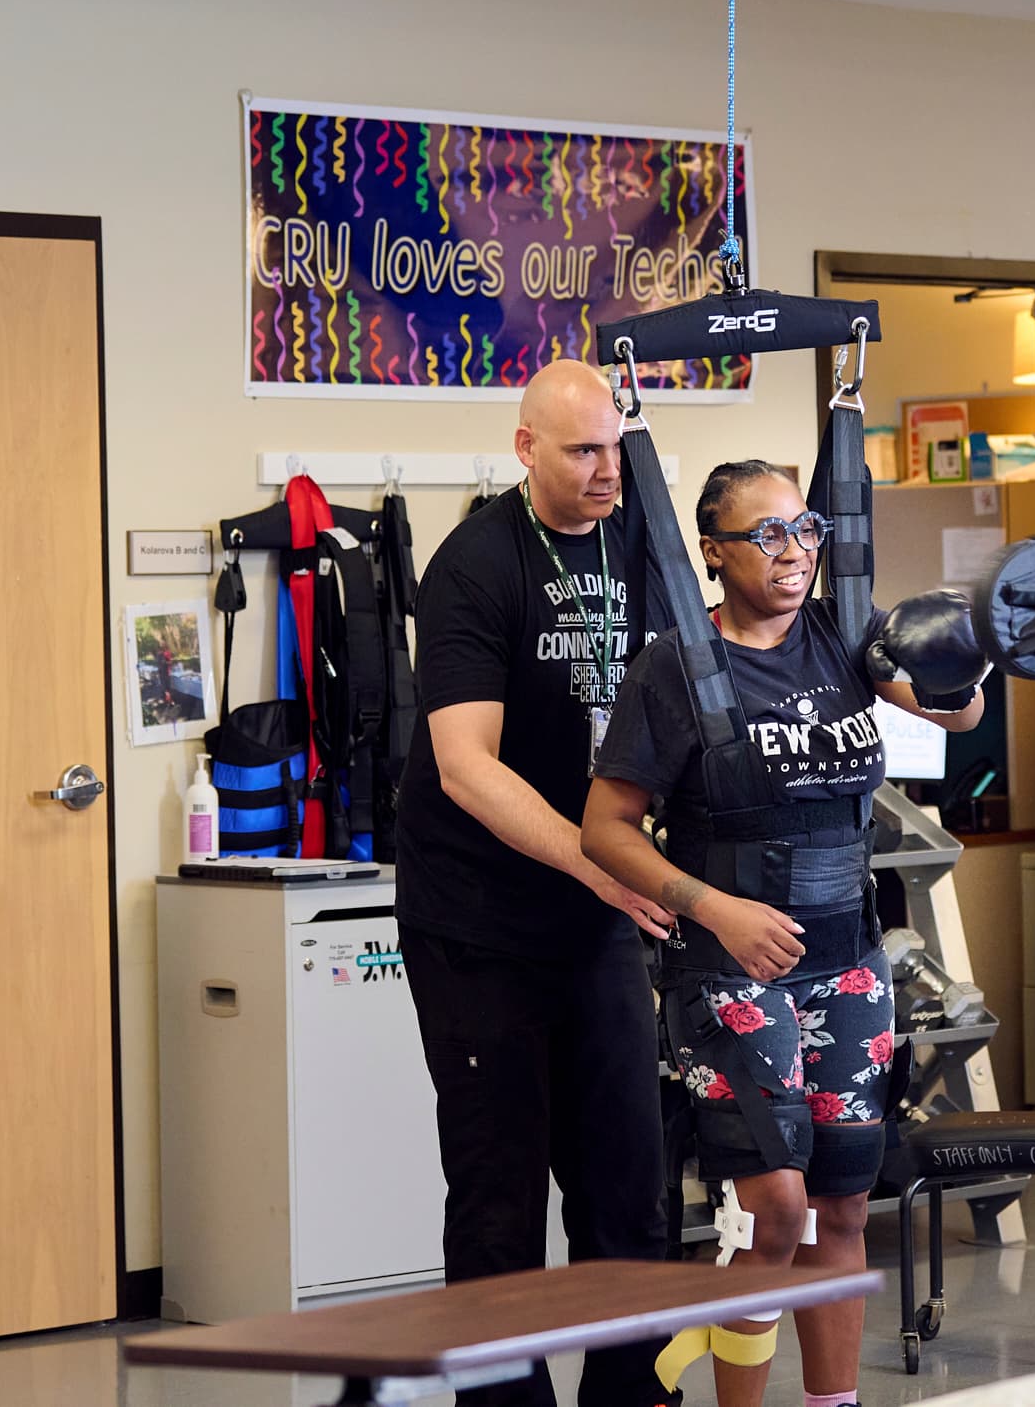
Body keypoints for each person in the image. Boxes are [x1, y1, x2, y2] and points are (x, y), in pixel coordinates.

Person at [581, 460, 986, 1407]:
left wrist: (961, 659)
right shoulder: (673, 666)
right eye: (764, 534)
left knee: (845, 1201)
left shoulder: (846, 637)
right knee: (780, 1206)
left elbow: (954, 710)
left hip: (849, 961)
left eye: (804, 528)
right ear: (714, 553)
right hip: (727, 967)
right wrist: (710, 905)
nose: (794, 550)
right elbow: (605, 826)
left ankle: (831, 1402)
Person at [391, 358, 675, 1407]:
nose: (607, 471)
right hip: (478, 921)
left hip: (596, 910)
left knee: (627, 1195)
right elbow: (466, 763)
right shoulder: (473, 563)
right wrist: (599, 861)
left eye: (615, 446)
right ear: (525, 449)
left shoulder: (642, 540)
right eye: (582, 451)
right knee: (501, 1202)